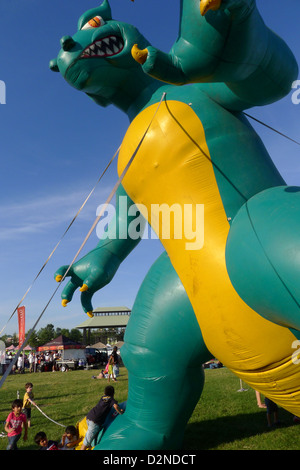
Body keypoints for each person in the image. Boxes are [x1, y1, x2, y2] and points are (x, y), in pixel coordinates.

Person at [81, 385, 124, 450]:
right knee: (86, 441)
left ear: (104, 393)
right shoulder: (111, 399)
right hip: (95, 421)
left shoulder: (103, 397)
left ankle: (90, 445)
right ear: (113, 394)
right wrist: (120, 412)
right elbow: (115, 406)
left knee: (92, 434)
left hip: (89, 416)